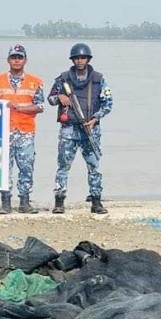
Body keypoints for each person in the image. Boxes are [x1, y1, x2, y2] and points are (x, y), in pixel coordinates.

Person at [47, 43, 113, 214]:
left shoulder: (98, 79)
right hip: (69, 129)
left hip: (90, 129)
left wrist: (95, 119)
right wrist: (59, 96)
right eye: (76, 58)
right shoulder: (63, 79)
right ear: (72, 60)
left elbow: (108, 103)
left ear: (88, 59)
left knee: (94, 167)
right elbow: (50, 99)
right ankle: (59, 201)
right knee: (63, 166)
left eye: (83, 58)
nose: (79, 61)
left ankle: (96, 201)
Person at [0, 44, 45, 214]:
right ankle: (5, 202)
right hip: (4, 130)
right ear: (8, 60)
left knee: (26, 167)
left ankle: (25, 201)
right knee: (4, 167)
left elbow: (40, 106)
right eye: (13, 57)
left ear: (25, 60)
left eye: (19, 57)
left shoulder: (35, 81)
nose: (16, 60)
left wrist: (20, 108)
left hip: (26, 130)